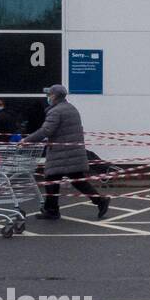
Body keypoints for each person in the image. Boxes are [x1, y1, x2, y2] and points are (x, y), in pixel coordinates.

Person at [19, 85, 110, 220]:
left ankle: (52, 210)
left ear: (55, 96)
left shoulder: (56, 111)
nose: (47, 97)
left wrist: (26, 140)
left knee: (52, 180)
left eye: (49, 95)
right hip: (71, 152)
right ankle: (99, 201)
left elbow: (46, 131)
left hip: (61, 153)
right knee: (74, 180)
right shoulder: (71, 108)